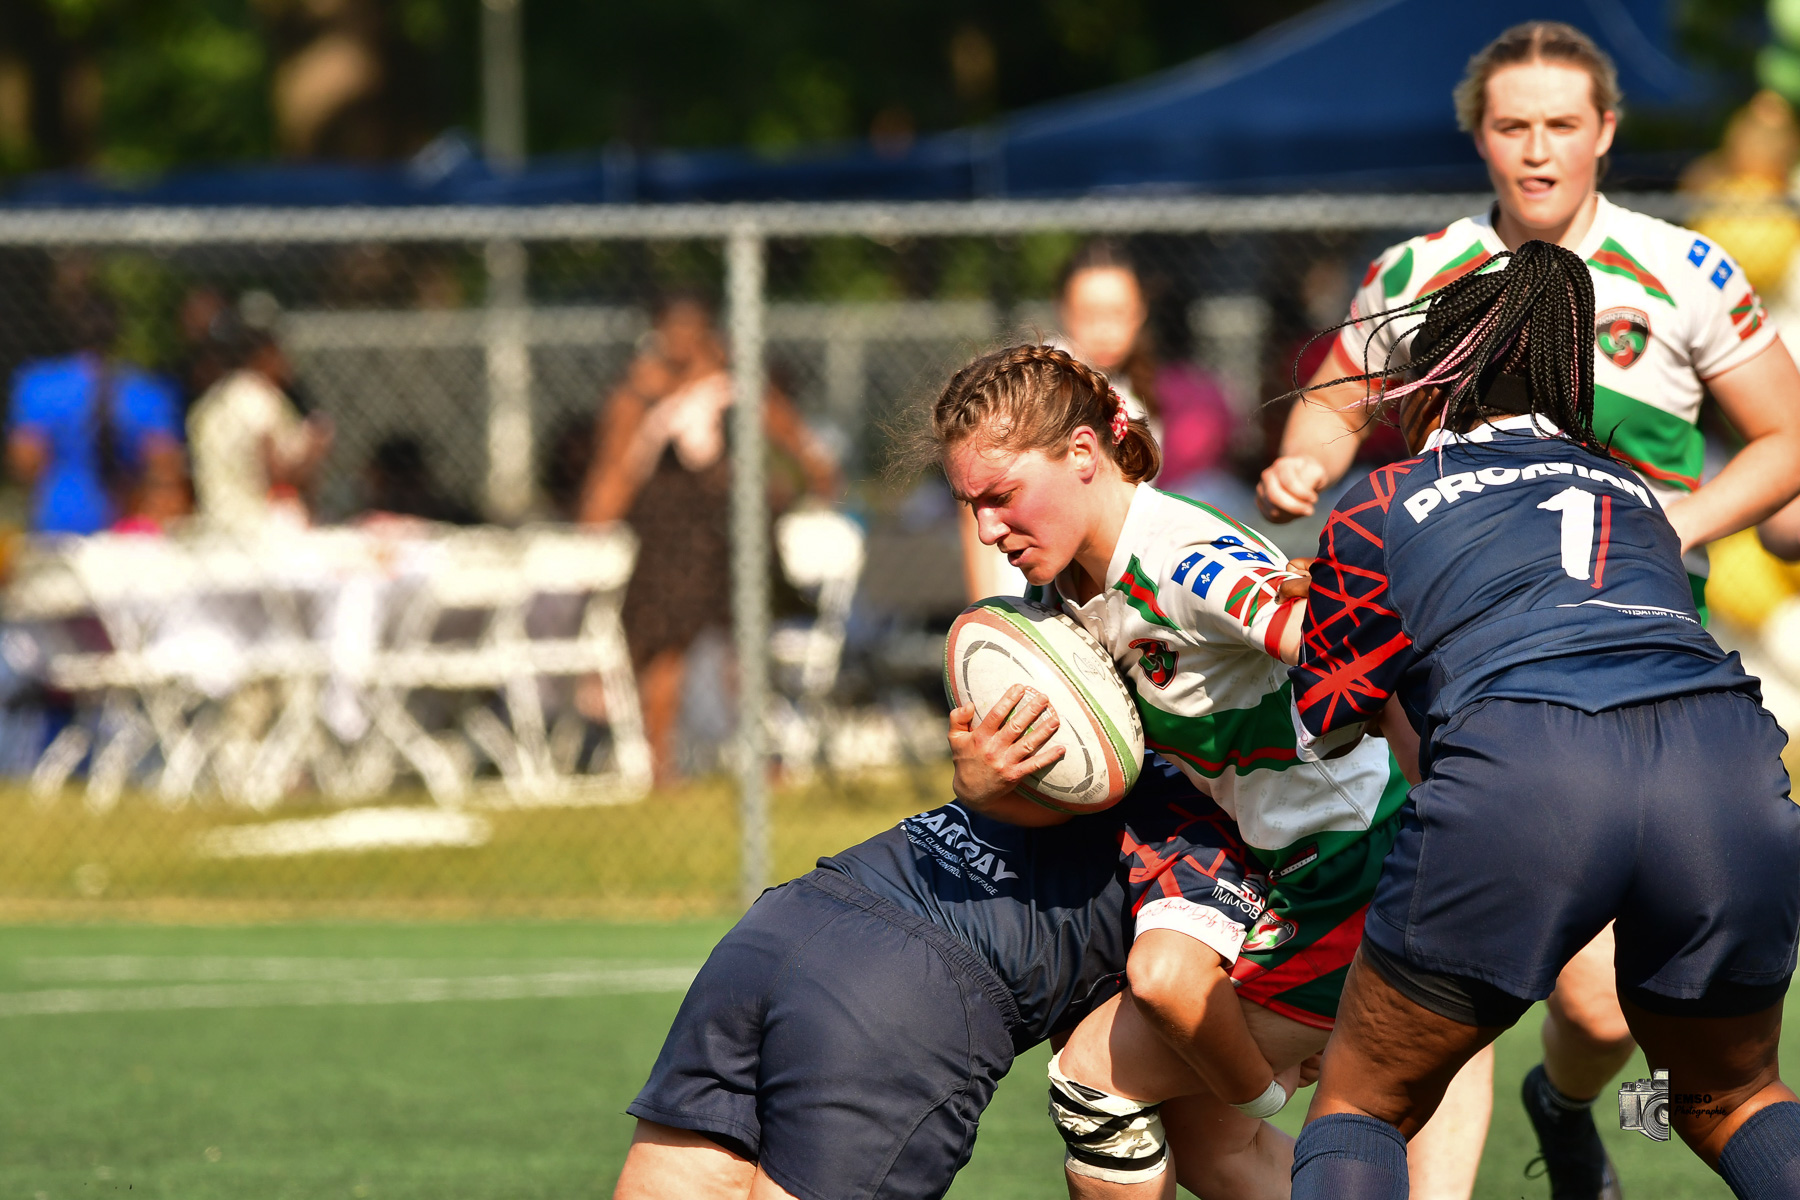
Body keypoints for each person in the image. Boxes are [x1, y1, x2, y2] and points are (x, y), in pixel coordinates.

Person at [1254, 22, 1800, 1198]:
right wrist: (1304, 462)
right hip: (1475, 670)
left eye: (1562, 125)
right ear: (1480, 137)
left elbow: (1789, 436)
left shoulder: (1683, 266)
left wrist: (1671, 524)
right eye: (1513, 127)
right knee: (1428, 1015)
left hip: (1629, 665)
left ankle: (1565, 1101)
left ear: (1606, 131)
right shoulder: (1416, 274)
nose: (1538, 152)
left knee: (1594, 1007)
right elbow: (1328, 415)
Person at [932, 344, 1412, 1181]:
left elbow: (1344, 637)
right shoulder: (1067, 594)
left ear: (1083, 454)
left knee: (1096, 1083)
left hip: (1356, 864)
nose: (986, 529)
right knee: (1204, 1141)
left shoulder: (1181, 559)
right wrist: (984, 780)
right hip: (1292, 863)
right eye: (969, 504)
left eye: (1002, 496)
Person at [614, 757, 1293, 1200]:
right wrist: (1260, 1087)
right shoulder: (1236, 838)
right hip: (898, 996)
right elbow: (1166, 984)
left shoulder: (1115, 749)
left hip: (784, 921)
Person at [580, 293, 838, 785]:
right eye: (671, 330)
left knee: (741, 646)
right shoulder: (640, 393)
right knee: (665, 645)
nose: (682, 341)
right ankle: (662, 767)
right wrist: (596, 520)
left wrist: (810, 481)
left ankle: (756, 757)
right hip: (669, 539)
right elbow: (616, 469)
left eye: (692, 329)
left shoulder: (735, 387)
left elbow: (797, 444)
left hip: (731, 532)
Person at [958, 241, 1237, 602]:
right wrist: (983, 604)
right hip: (1025, 586)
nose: (1105, 329)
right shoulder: (1032, 385)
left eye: (1119, 312)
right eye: (1089, 313)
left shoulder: (1138, 393)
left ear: (1141, 312)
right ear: (1063, 309)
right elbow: (980, 499)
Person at [7, 293, 187, 535]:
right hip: (126, 522)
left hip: (58, 519)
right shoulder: (146, 391)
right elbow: (164, 466)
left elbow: (26, 461)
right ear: (119, 332)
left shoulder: (40, 386)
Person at [188, 308, 334, 534]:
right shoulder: (262, 399)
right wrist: (314, 446)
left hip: (217, 522)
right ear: (265, 354)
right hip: (260, 527)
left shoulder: (211, 402)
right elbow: (278, 478)